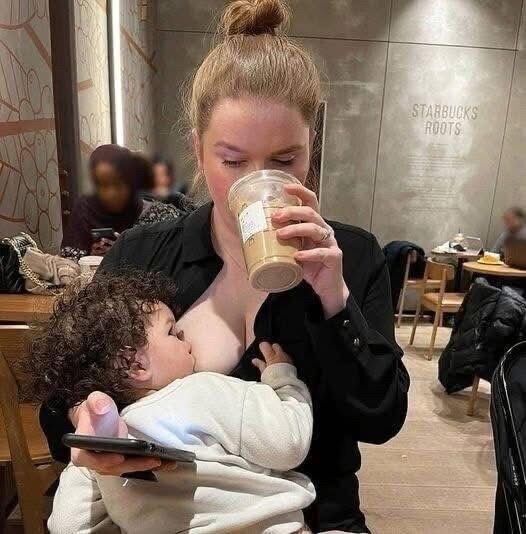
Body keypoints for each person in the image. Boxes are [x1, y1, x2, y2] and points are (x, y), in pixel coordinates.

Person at [40, 1, 410, 532]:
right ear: (199, 151)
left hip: (309, 514)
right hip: (164, 518)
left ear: (311, 150)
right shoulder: (144, 254)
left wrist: (336, 301)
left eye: (285, 160)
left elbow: (380, 418)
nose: (257, 180)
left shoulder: (352, 255)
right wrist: (90, 428)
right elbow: (62, 402)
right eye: (233, 160)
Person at [31, 271, 315, 533]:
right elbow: (288, 445)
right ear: (136, 364)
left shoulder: (102, 453)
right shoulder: (204, 389)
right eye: (172, 333)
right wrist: (283, 379)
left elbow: (68, 526)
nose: (186, 339)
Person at [61, 146, 192, 260]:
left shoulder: (158, 214)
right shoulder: (85, 210)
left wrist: (127, 253)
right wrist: (91, 258)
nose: (111, 193)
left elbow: (177, 258)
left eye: (118, 184)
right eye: (103, 185)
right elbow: (68, 262)